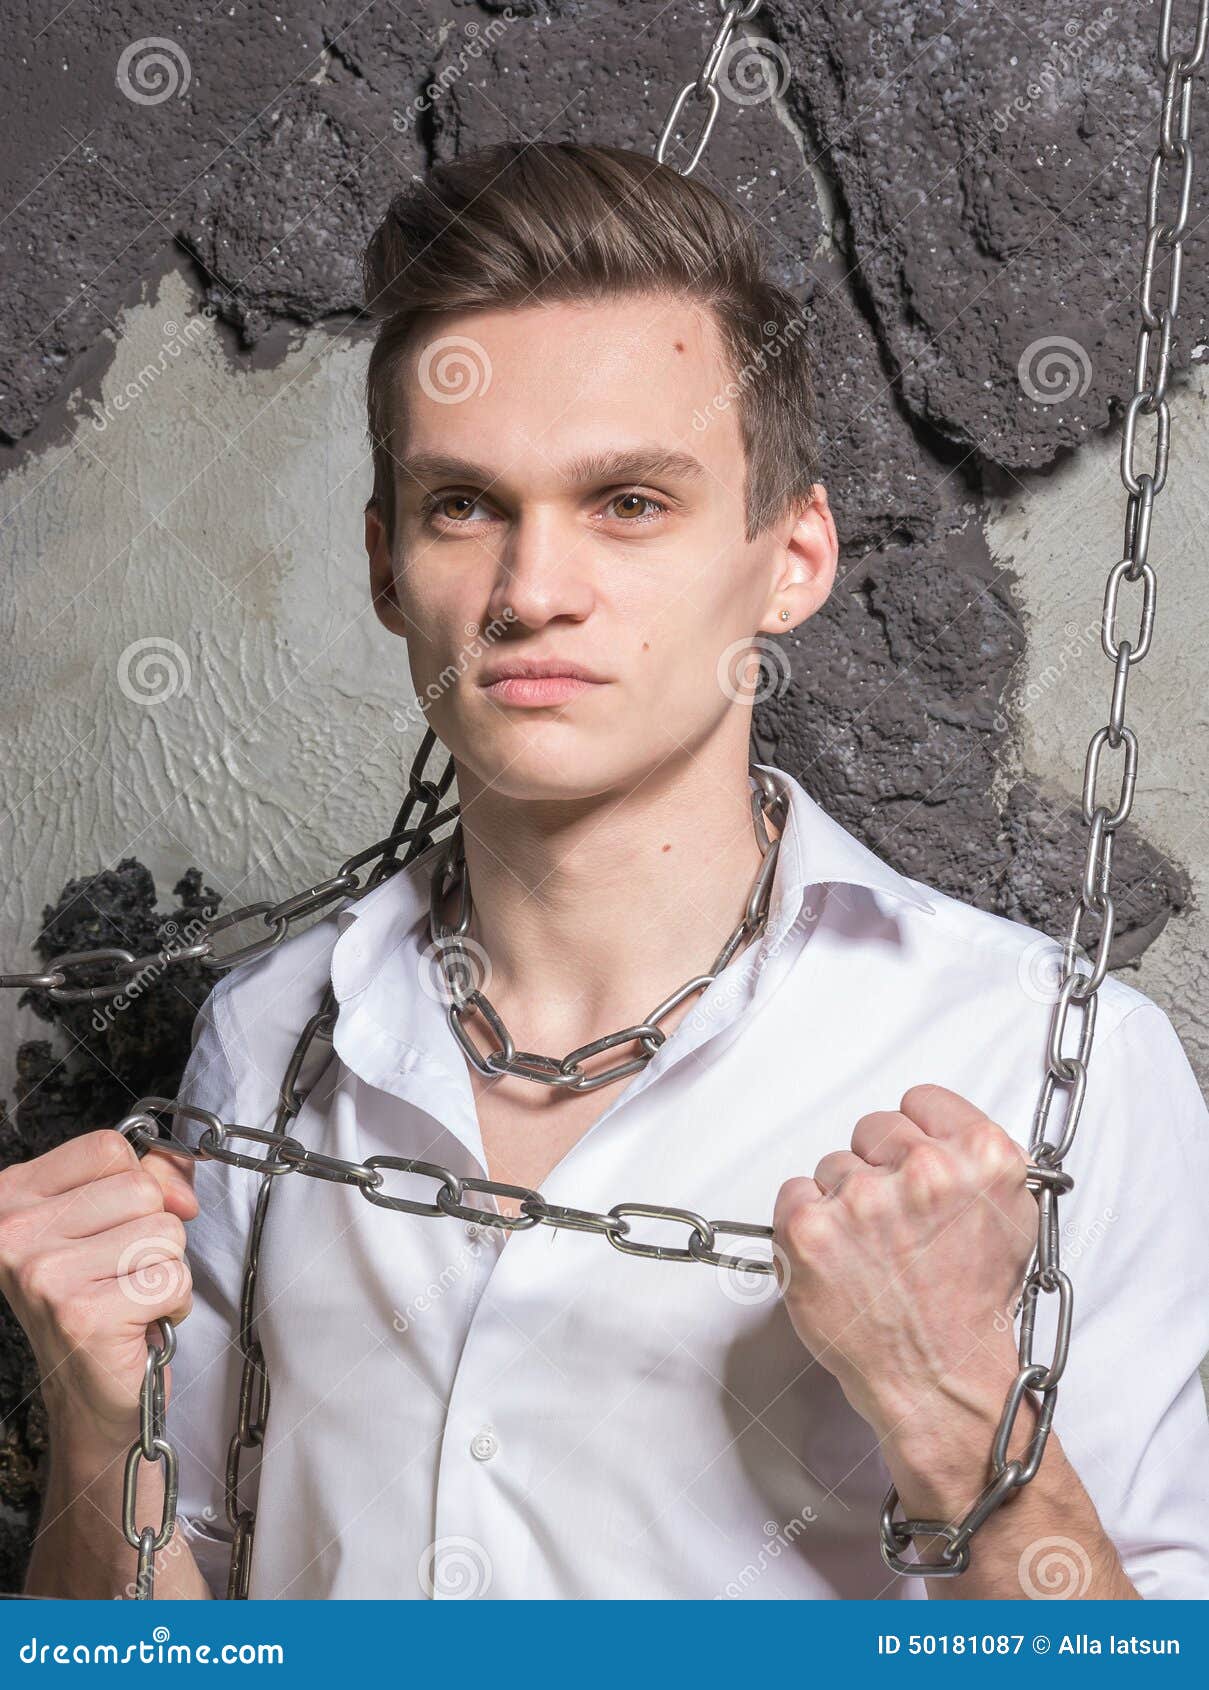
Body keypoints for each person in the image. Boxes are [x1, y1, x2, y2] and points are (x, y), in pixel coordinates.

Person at [7, 142, 1209, 1602]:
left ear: (792, 557)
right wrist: (95, 1437)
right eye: (465, 507)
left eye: (629, 502)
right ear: (387, 566)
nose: (530, 591)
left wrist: (961, 1412)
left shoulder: (1040, 1061)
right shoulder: (268, 1040)